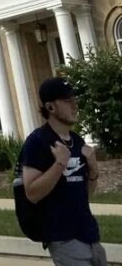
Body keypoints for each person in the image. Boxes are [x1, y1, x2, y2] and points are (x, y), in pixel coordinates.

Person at [16, 76, 107, 266]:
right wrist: (60, 164)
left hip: (90, 235)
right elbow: (32, 193)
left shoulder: (77, 141)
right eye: (67, 101)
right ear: (50, 107)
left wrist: (93, 170)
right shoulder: (38, 141)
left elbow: (86, 194)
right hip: (63, 238)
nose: (74, 105)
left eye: (74, 99)